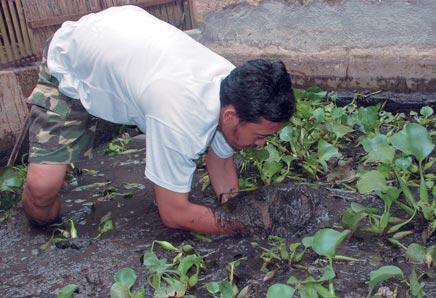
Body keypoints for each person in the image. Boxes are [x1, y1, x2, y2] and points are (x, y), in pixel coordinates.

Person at [21, 5, 295, 235]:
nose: (261, 144)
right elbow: (174, 213)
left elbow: (220, 159)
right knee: (41, 191)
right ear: (230, 115)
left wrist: (234, 207)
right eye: (261, 136)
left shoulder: (232, 86)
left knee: (147, 109)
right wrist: (242, 224)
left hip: (128, 62)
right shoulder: (180, 115)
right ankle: (48, 238)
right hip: (73, 65)